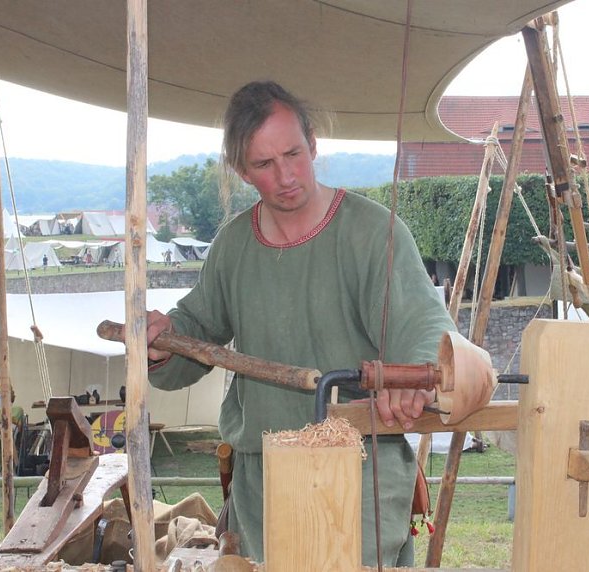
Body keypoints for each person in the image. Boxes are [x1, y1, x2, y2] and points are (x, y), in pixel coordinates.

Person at [146, 80, 493, 566]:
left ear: (312, 142)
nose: (286, 175)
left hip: (361, 476)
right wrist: (164, 344)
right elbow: (196, 331)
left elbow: (422, 326)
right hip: (262, 484)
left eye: (293, 153)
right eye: (264, 164)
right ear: (242, 170)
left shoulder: (373, 233)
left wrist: (413, 376)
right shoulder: (233, 247)